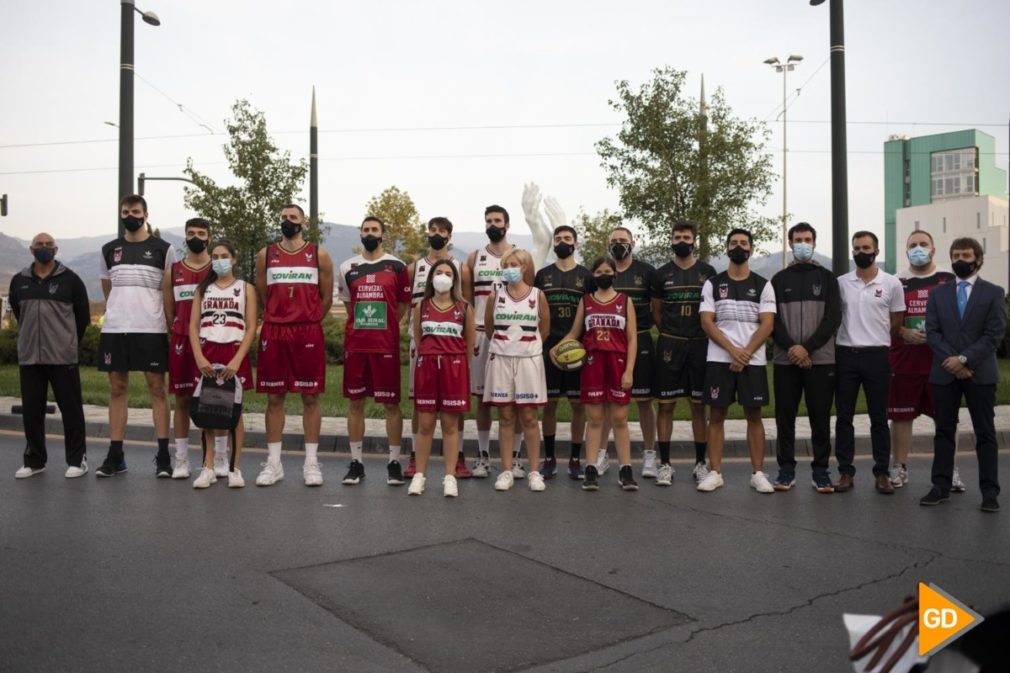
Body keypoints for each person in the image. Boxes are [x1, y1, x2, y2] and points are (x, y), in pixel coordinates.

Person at [920, 238, 1007, 512]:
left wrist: (964, 359)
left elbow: (994, 334)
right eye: (955, 255)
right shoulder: (938, 294)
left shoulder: (993, 293)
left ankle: (989, 492)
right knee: (944, 430)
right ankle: (940, 486)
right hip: (944, 373)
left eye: (966, 255)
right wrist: (952, 361)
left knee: (985, 433)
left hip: (979, 373)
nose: (960, 259)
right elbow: (932, 333)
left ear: (978, 259)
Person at [96, 195, 176, 477]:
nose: (130, 215)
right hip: (116, 329)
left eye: (135, 211)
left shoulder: (164, 249)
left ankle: (164, 456)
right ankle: (116, 455)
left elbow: (169, 293)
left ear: (145, 214)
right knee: (117, 389)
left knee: (157, 388)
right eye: (125, 211)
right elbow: (109, 291)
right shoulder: (109, 249)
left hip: (151, 329)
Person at [254, 204, 333, 487]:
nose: (287, 221)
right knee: (274, 397)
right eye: (284, 217)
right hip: (275, 332)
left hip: (307, 333)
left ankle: (311, 463)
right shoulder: (266, 255)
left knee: (310, 397)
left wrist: (308, 320)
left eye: (293, 217)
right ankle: (273, 464)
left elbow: (325, 298)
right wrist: (278, 317)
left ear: (303, 222)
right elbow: (263, 294)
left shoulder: (318, 255)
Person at [697, 229, 776, 493]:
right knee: (716, 414)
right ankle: (715, 472)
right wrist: (733, 350)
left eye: (744, 243)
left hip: (752, 361)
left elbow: (767, 325)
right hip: (720, 358)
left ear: (751, 249)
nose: (738, 246)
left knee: (753, 415)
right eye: (734, 243)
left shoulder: (764, 285)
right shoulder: (712, 283)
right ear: (727, 248)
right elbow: (707, 322)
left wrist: (745, 353)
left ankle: (758, 473)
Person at [553, 256, 639, 491]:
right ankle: (590, 468)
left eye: (607, 271)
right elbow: (574, 333)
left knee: (620, 419)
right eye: (599, 272)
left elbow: (632, 339)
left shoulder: (624, 301)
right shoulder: (586, 301)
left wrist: (629, 370)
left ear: (615, 274)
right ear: (593, 275)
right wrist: (556, 348)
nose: (603, 275)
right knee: (595, 420)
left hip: (618, 362)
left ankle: (626, 469)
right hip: (593, 363)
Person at [336, 216, 410, 486]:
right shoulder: (347, 267)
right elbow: (348, 306)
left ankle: (393, 463)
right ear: (360, 234)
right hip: (357, 345)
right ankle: (356, 463)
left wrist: (387, 326)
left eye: (374, 230)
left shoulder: (397, 266)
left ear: (383, 234)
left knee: (391, 404)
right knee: (355, 403)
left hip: (385, 345)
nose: (369, 233)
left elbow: (402, 307)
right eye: (365, 229)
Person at [11, 233, 90, 479]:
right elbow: (17, 312)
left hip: (62, 357)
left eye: (48, 245)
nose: (43, 248)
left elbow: (82, 318)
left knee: (71, 410)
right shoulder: (19, 281)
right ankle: (34, 460)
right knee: (32, 411)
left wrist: (66, 342)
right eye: (39, 245)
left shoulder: (71, 280)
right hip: (30, 357)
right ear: (31, 249)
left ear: (56, 250)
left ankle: (78, 460)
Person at [770, 222, 841, 493]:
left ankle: (821, 471)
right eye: (798, 239)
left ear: (814, 243)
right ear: (790, 244)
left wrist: (807, 348)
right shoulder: (779, 280)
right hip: (786, 360)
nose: (802, 243)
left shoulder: (827, 278)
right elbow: (772, 321)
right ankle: (786, 470)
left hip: (820, 360)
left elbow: (833, 318)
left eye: (807, 239)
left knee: (820, 418)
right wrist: (793, 349)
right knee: (784, 417)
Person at [888, 230, 961, 490]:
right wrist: (902, 331)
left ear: (933, 250)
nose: (918, 248)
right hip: (904, 360)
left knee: (946, 419)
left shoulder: (949, 279)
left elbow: (961, 318)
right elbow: (883, 320)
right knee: (900, 417)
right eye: (912, 245)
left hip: (940, 362)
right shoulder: (896, 281)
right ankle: (899, 468)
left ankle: (950, 470)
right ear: (906, 251)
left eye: (923, 244)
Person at [834, 231, 905, 494]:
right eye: (857, 248)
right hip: (846, 355)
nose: (861, 252)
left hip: (877, 356)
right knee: (844, 417)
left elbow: (896, 321)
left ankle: (882, 473)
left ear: (876, 251)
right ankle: (845, 472)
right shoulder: (841, 282)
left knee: (879, 417)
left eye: (866, 248)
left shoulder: (891, 283)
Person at [465, 205, 532, 478]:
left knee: (515, 400)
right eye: (488, 220)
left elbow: (531, 296)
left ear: (507, 223)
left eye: (497, 220)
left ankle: (515, 458)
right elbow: (468, 302)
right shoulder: (474, 257)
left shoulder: (521, 256)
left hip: (513, 335)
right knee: (483, 400)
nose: (493, 224)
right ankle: (482, 456)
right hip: (482, 332)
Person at [404, 217, 472, 481]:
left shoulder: (461, 268)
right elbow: (407, 303)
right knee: (419, 403)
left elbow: (464, 303)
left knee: (455, 403)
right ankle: (414, 456)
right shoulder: (415, 268)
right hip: (422, 341)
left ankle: (458, 458)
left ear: (450, 236)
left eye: (442, 231)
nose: (436, 234)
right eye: (432, 230)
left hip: (451, 343)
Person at [188, 241, 257, 489]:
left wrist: (238, 359)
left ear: (234, 259)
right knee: (206, 411)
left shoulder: (246, 288)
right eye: (215, 256)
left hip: (233, 350)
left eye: (224, 256)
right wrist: (199, 357)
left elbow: (250, 327)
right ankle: (207, 468)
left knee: (234, 412)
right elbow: (193, 327)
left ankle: (235, 468)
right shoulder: (202, 289)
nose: (219, 260)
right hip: (208, 350)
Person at [651, 221, 715, 487]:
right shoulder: (661, 273)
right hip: (670, 345)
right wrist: (670, 334)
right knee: (665, 406)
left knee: (698, 407)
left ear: (694, 240)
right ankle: (665, 464)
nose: (681, 240)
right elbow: (656, 311)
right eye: (676, 236)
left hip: (700, 344)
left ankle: (701, 463)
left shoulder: (707, 272)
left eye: (686, 237)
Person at [483, 248, 549, 492]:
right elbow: (490, 329)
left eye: (515, 263)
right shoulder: (495, 296)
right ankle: (507, 471)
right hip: (501, 359)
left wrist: (526, 348)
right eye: (506, 264)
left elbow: (545, 328)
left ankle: (534, 471)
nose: (510, 267)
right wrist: (506, 346)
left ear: (523, 267)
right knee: (506, 417)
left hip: (528, 360)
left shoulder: (537, 295)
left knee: (530, 417)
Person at [596, 227, 658, 479]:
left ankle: (650, 456)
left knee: (644, 401)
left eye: (623, 241)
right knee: (609, 402)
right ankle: (601, 454)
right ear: (608, 244)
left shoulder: (647, 272)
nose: (619, 244)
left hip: (639, 340)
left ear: (633, 243)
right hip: (608, 344)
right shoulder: (603, 271)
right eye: (614, 241)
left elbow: (656, 310)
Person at [534, 224, 592, 480]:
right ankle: (549, 458)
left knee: (578, 406)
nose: (562, 242)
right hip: (548, 349)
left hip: (577, 349)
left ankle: (575, 459)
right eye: (557, 238)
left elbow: (590, 314)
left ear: (575, 243)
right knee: (549, 405)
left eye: (567, 238)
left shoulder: (586, 276)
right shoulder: (542, 275)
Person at [164, 218, 214, 479]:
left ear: (209, 237)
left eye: (201, 233)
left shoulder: (218, 267)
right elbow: (168, 310)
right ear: (185, 236)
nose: (196, 237)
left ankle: (216, 459)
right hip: (182, 340)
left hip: (212, 341)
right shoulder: (173, 270)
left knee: (215, 401)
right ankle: (181, 459)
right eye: (191, 233)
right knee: (182, 401)